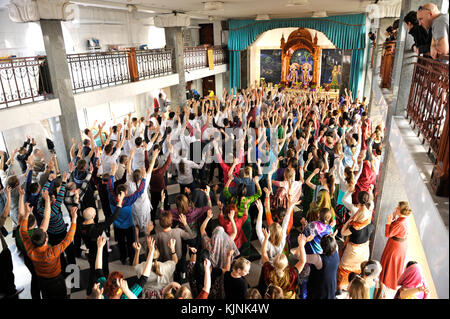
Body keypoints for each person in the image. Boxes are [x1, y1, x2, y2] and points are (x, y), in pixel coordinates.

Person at [20, 194, 78, 299]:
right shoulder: (52, 252)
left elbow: (22, 231)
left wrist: (26, 215)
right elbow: (69, 239)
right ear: (46, 239)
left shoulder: (30, 249)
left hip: (42, 280)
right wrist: (74, 219)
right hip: (56, 280)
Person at [79, 192, 124, 295]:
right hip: (99, 251)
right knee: (102, 268)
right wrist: (120, 202)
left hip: (90, 251)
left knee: (93, 269)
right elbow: (111, 219)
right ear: (93, 216)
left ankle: (89, 290)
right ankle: (105, 284)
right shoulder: (96, 228)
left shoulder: (80, 225)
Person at [337, 191, 375, 293]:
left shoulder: (356, 225)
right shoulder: (369, 215)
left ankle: (341, 289)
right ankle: (357, 288)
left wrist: (349, 222)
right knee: (359, 270)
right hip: (364, 250)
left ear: (358, 200)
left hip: (353, 251)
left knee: (343, 268)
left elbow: (343, 233)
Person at [376, 201, 412, 299]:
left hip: (395, 247)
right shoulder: (402, 220)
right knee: (392, 264)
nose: (395, 208)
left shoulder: (401, 223)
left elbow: (388, 234)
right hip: (399, 245)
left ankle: (386, 282)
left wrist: (388, 222)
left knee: (390, 263)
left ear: (400, 211)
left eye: (397, 208)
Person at [260, 228, 304, 299]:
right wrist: (301, 245)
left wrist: (266, 238)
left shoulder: (268, 271)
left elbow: (264, 253)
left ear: (273, 263)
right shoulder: (292, 275)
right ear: (286, 265)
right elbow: (303, 261)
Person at [294, 234, 340, 299]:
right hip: (331, 286)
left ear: (321, 245)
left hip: (320, 289)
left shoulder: (318, 259)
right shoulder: (336, 250)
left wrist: (302, 243)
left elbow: (297, 256)